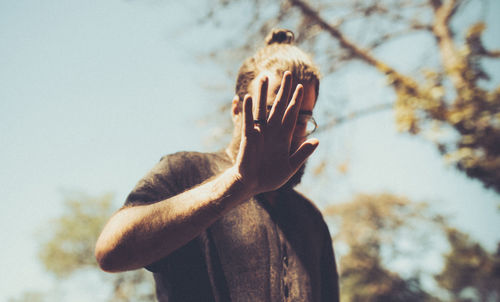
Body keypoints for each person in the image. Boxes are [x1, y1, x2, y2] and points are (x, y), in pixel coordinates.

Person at [95, 28, 339, 302]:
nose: (287, 132)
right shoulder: (185, 171)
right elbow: (110, 252)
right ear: (237, 110)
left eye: (301, 119)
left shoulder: (310, 220)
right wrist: (239, 184)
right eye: (273, 114)